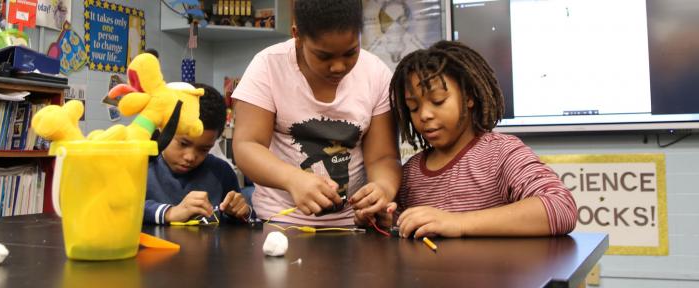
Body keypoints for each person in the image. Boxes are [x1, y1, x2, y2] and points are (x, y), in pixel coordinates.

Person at [231, 0, 401, 226]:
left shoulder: (376, 74)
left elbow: (384, 157)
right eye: (324, 56)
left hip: (355, 225)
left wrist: (382, 187)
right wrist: (293, 179)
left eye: (350, 53)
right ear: (297, 35)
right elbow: (247, 145)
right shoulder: (268, 66)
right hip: (279, 222)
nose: (339, 66)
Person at [389, 40, 577, 238]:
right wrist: (390, 220)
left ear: (469, 97)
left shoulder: (501, 153)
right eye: (414, 107)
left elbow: (561, 207)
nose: (424, 114)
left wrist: (458, 222)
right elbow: (402, 225)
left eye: (437, 101)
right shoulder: (411, 173)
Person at [143, 83, 252, 225]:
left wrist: (243, 211)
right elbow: (121, 208)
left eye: (204, 149)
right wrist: (169, 213)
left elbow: (244, 223)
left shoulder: (221, 173)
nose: (190, 157)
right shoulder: (141, 166)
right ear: (164, 129)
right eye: (183, 143)